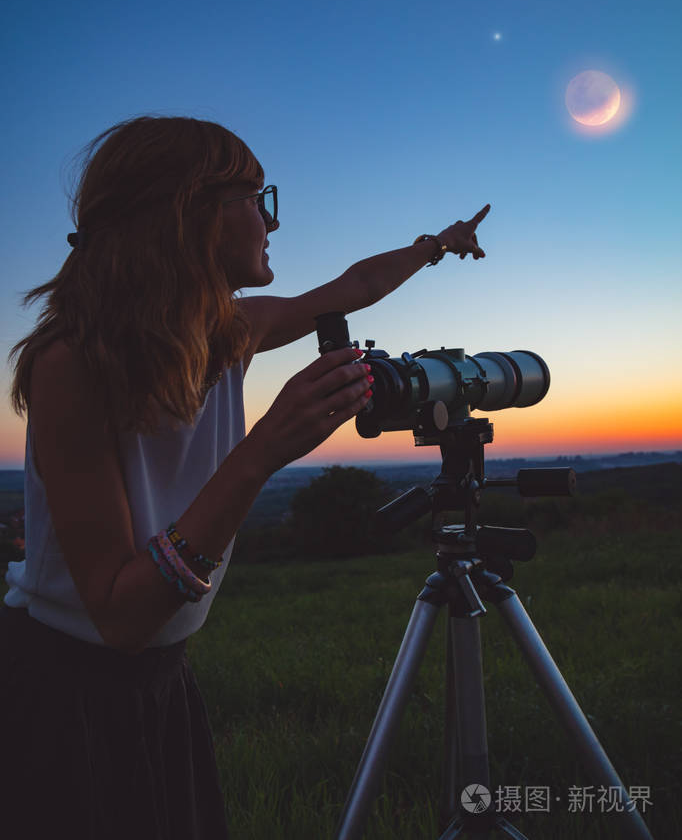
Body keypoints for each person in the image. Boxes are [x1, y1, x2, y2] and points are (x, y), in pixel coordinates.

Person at [0, 115, 490, 838]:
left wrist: (435, 246)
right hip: (67, 697)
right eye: (257, 197)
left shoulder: (231, 331)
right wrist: (264, 449)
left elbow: (354, 284)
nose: (272, 221)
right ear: (188, 211)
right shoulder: (71, 364)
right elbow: (120, 615)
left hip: (164, 680)